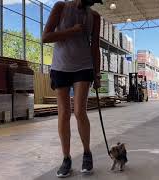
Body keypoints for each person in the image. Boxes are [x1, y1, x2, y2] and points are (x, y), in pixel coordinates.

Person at [42, 0, 101, 178]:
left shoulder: (95, 16)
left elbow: (95, 46)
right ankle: (66, 159)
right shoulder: (61, 7)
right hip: (60, 66)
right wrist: (72, 31)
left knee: (79, 111)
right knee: (64, 113)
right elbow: (46, 37)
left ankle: (87, 153)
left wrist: (97, 73)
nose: (92, 3)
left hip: (83, 67)